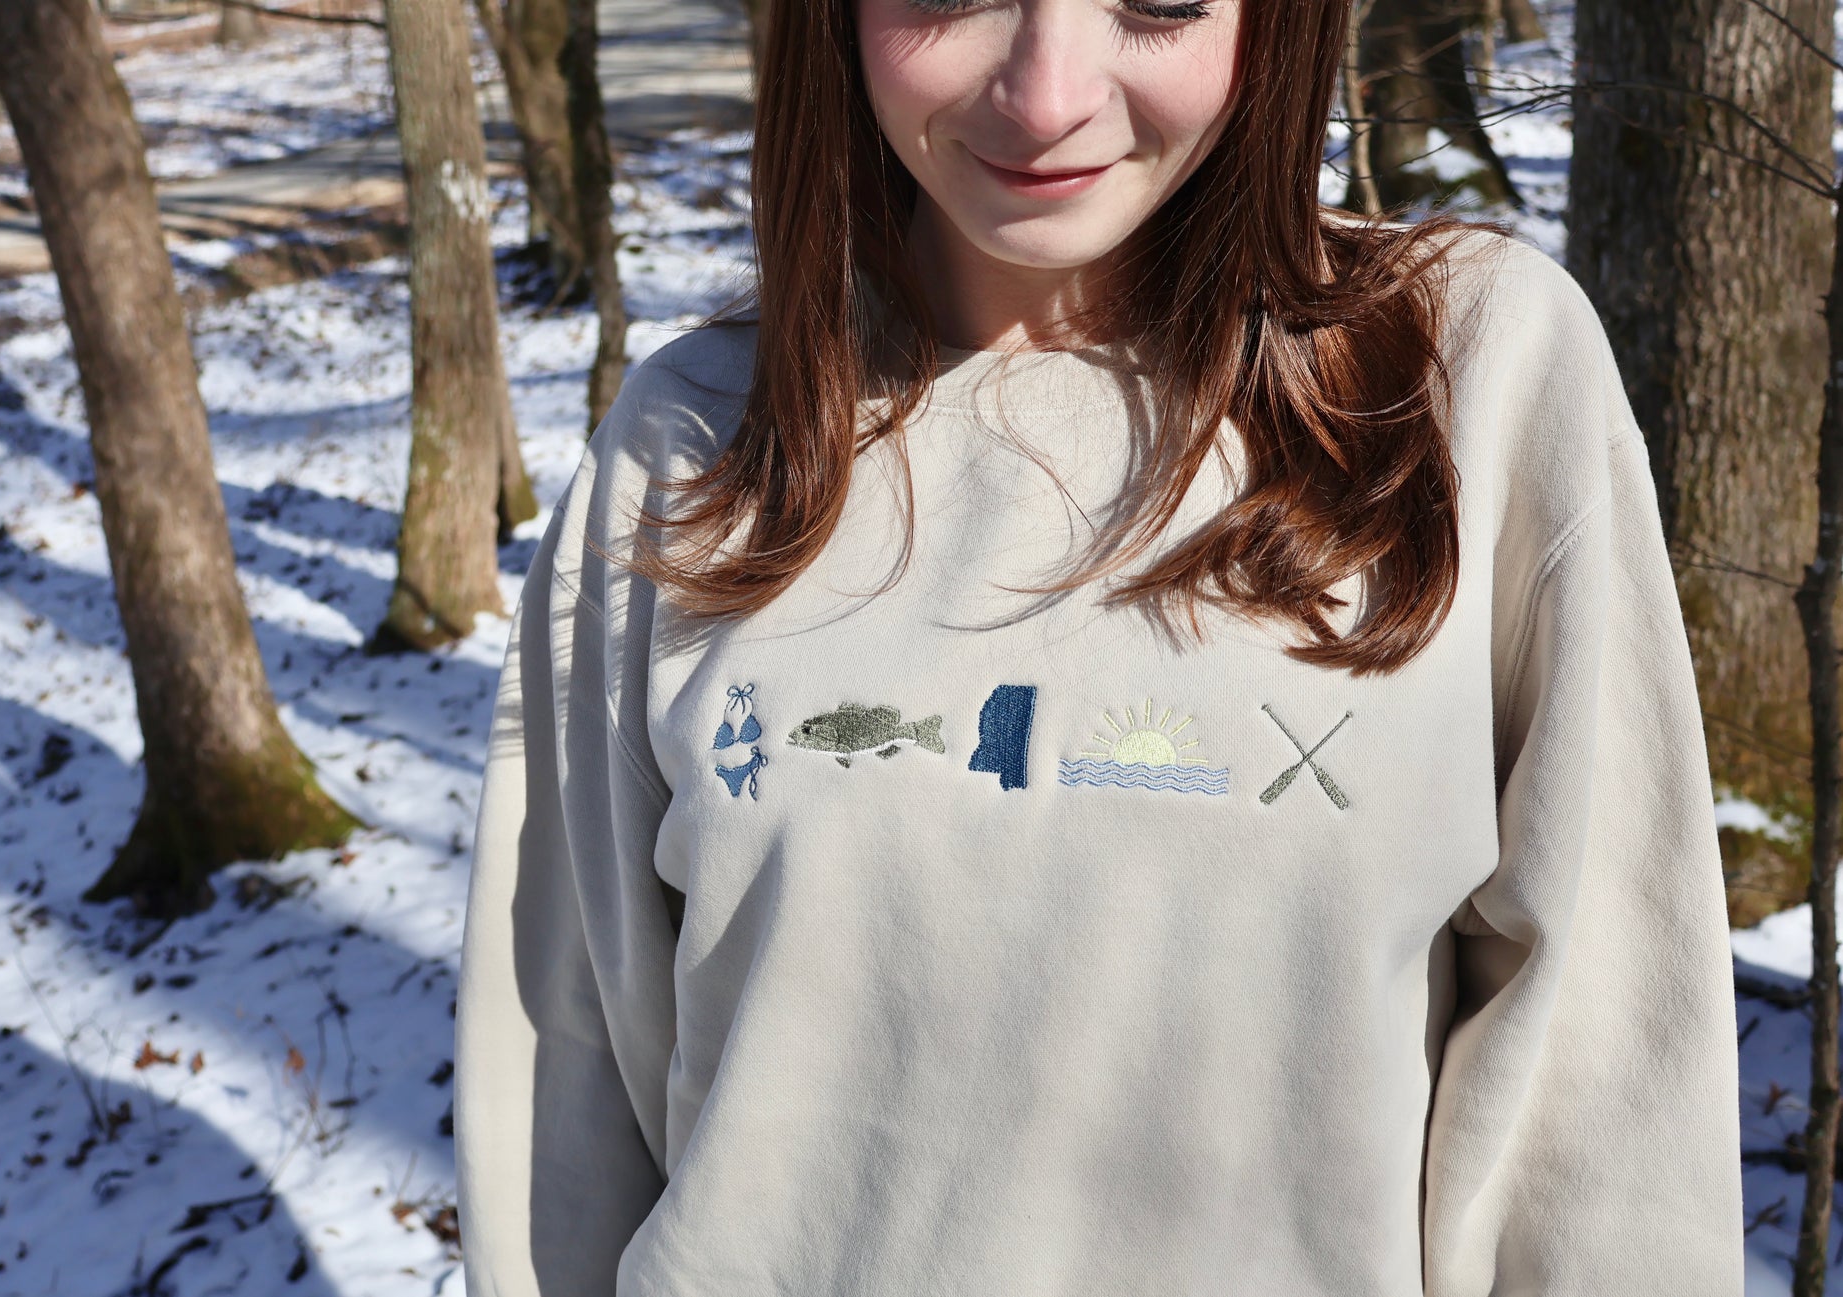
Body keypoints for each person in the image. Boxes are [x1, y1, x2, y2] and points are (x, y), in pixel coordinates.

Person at [453, 0, 1744, 1291]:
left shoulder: (1464, 380)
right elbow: (564, 1086)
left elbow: (1606, 1110)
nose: (1046, 97)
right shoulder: (693, 443)